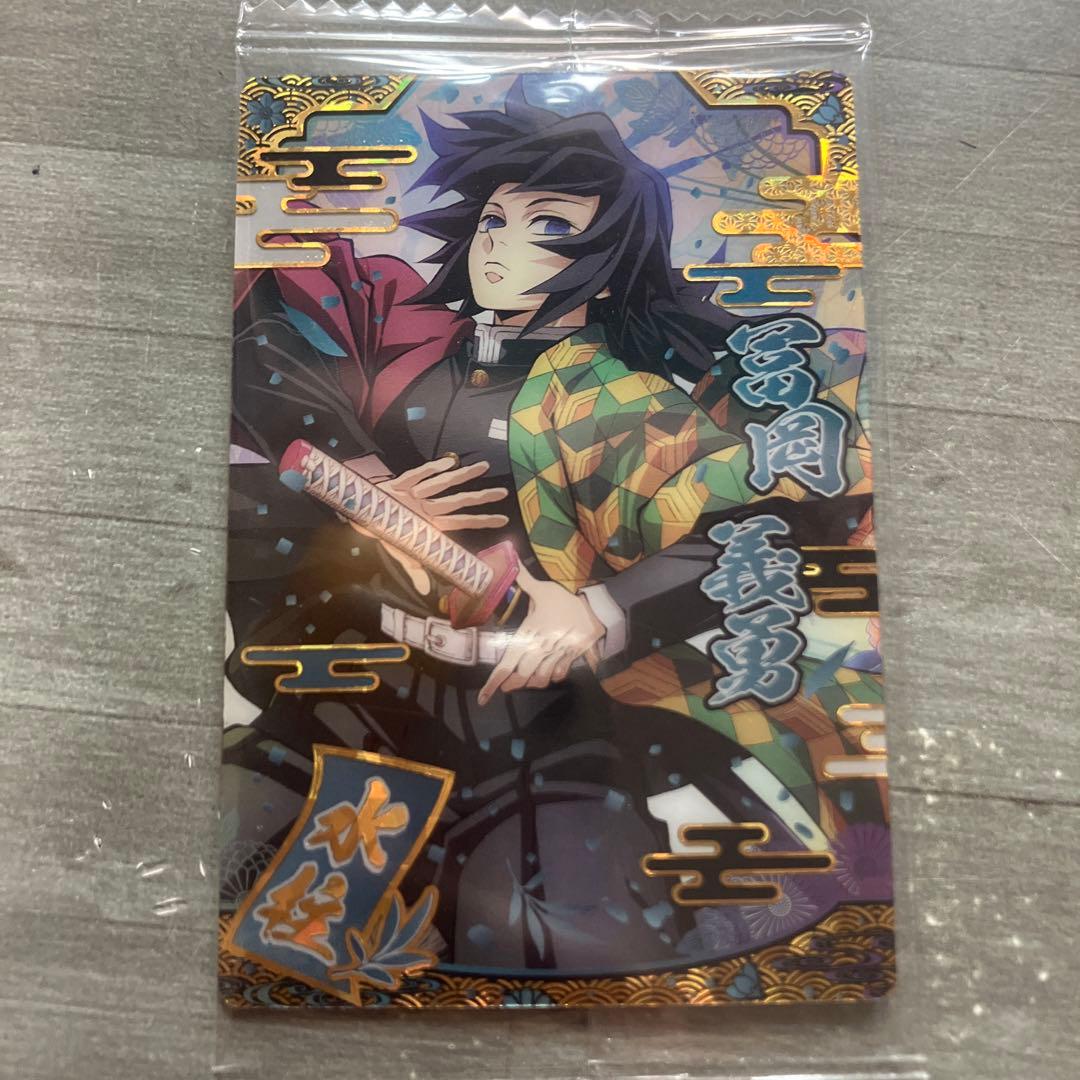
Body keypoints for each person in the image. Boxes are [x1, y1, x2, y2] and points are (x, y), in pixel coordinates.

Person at [222, 81, 878, 972]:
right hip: (356, 696)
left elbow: (772, 511)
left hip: (532, 727)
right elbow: (269, 347)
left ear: (607, 260)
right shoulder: (416, 344)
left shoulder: (618, 401)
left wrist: (601, 611)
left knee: (539, 941)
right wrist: (367, 488)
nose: (500, 245)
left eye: (551, 227)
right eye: (494, 220)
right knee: (264, 916)